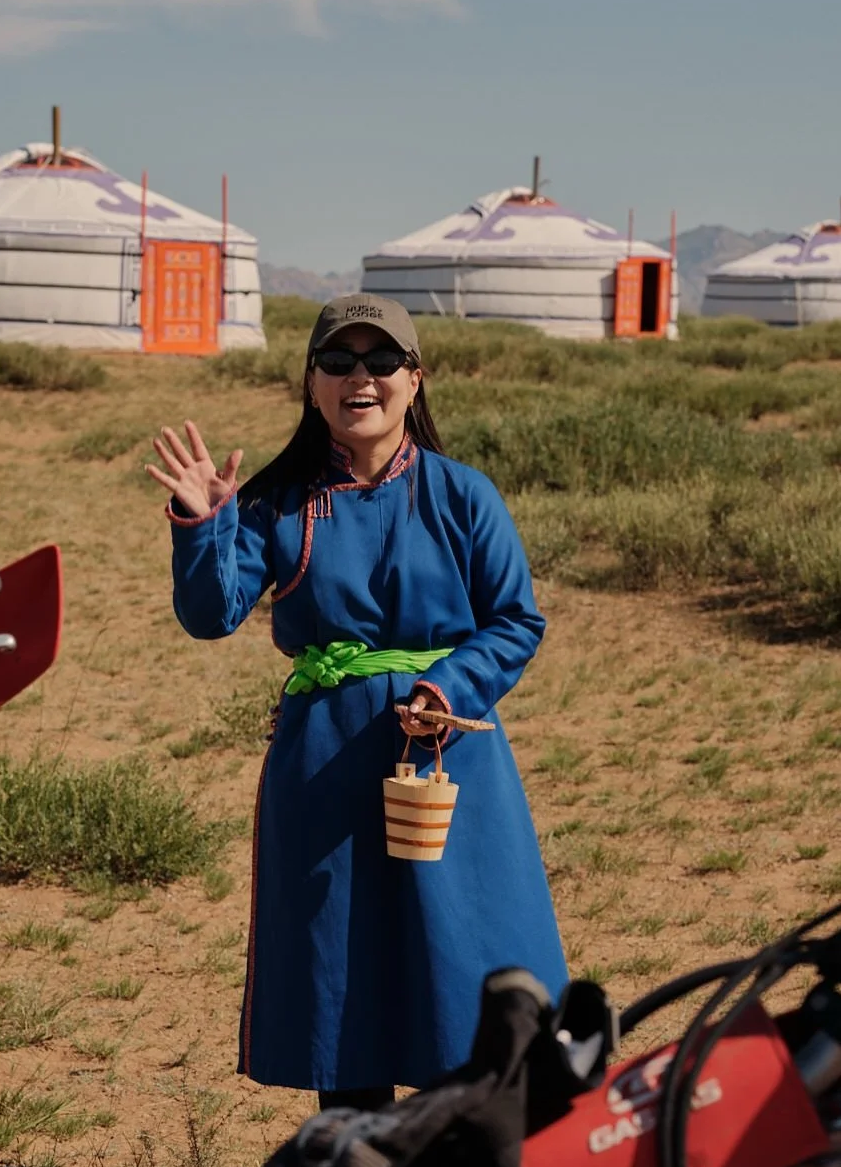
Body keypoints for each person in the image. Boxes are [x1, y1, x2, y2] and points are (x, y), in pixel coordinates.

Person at [147, 294, 567, 1110]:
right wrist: (204, 526)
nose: (359, 378)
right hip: (327, 764)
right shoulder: (282, 502)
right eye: (338, 363)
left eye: (381, 362)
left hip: (449, 758)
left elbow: (517, 620)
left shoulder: (462, 495)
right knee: (343, 970)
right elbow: (210, 615)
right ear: (311, 385)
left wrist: (449, 687)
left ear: (416, 379)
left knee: (461, 959)